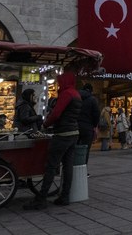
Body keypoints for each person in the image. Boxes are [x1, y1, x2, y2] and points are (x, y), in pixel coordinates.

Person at [23, 70, 82, 210]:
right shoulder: (77, 94)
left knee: (51, 166)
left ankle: (41, 198)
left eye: (59, 81)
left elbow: (56, 113)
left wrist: (45, 125)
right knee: (68, 167)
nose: (58, 83)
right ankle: (65, 196)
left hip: (63, 134)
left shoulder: (66, 94)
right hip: (74, 133)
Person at [77, 83, 99, 164]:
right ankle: (83, 169)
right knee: (86, 149)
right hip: (87, 127)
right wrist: (94, 125)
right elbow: (96, 114)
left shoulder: (76, 96)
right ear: (90, 90)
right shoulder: (92, 99)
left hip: (75, 126)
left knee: (73, 148)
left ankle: (73, 169)